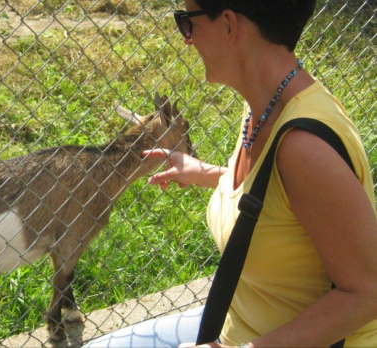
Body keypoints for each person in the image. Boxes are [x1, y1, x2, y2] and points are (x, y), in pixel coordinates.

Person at [85, 0, 377, 347]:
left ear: (228, 25)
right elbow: (279, 199)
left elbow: (368, 293)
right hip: (236, 324)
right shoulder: (265, 99)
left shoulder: (304, 147)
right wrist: (205, 172)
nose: (186, 40)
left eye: (188, 22)